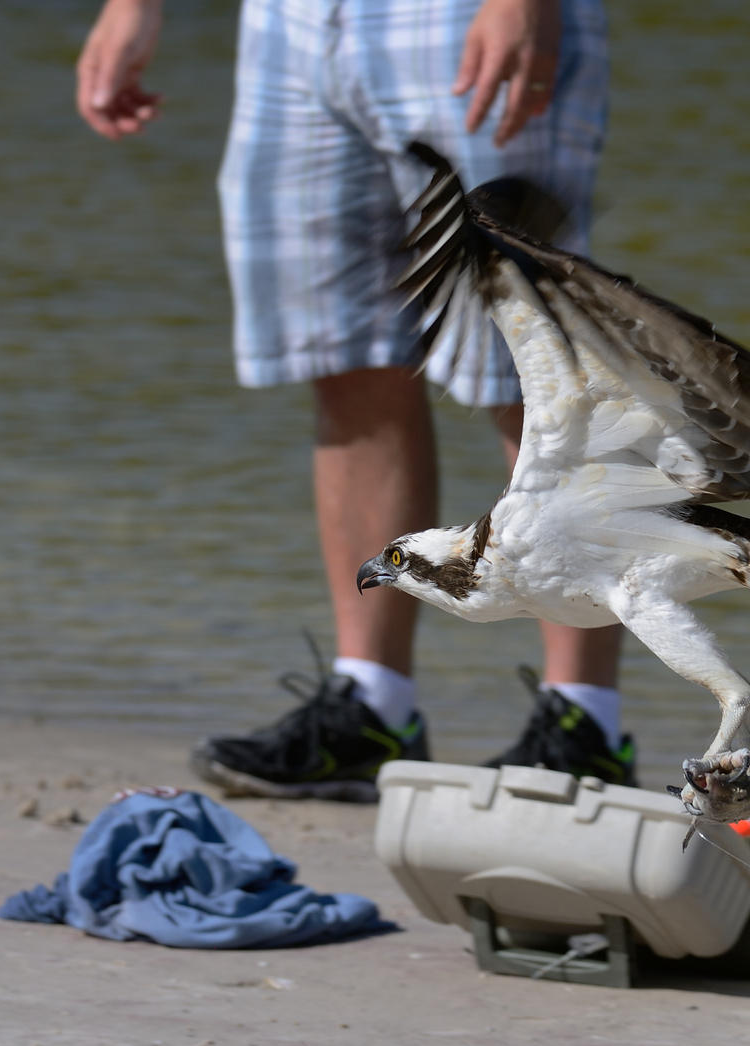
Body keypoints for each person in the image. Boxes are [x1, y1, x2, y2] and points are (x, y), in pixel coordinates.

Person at [75, 0, 634, 802]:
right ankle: (373, 709)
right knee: (345, 356)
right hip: (293, 28)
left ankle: (586, 726)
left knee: (527, 368)